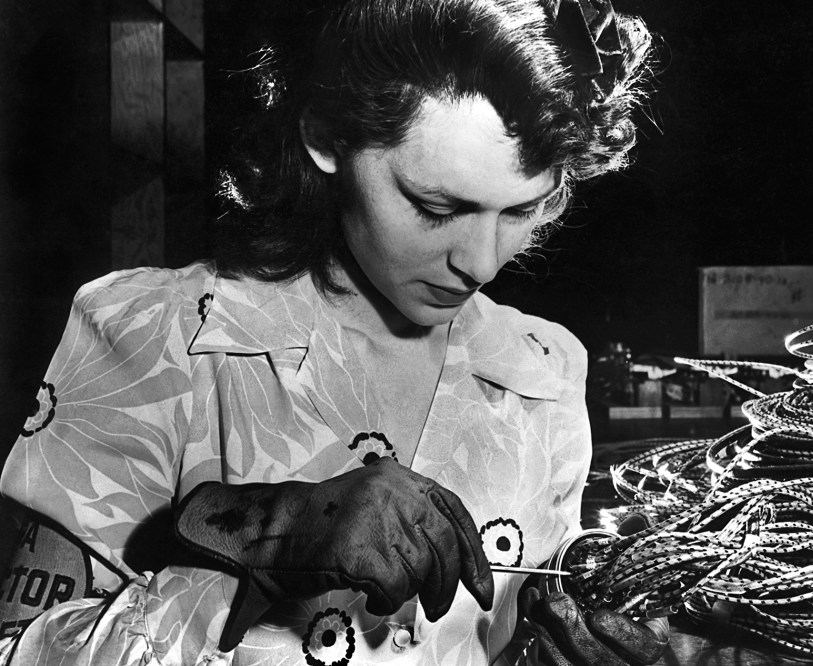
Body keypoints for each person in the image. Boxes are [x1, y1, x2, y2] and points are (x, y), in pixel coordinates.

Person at [0, 0, 667, 663]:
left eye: (523, 209)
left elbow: (499, 645)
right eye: (436, 206)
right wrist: (262, 550)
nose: (481, 262)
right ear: (326, 137)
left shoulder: (542, 373)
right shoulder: (155, 334)